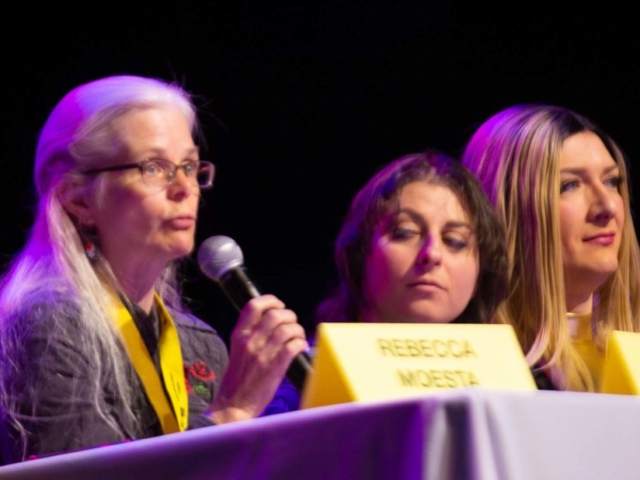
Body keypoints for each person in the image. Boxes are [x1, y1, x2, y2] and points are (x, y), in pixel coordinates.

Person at [0, 75, 308, 464]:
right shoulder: (48, 325)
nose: (185, 188)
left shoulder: (198, 343)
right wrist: (232, 411)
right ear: (77, 199)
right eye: (154, 167)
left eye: (190, 166)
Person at [461, 103, 640, 392]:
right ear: (509, 211)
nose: (607, 206)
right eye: (569, 185)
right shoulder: (471, 370)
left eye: (611, 181)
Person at [315, 150, 508, 327]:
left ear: (479, 277)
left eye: (454, 241)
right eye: (405, 232)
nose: (432, 253)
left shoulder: (507, 365)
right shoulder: (308, 364)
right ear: (358, 256)